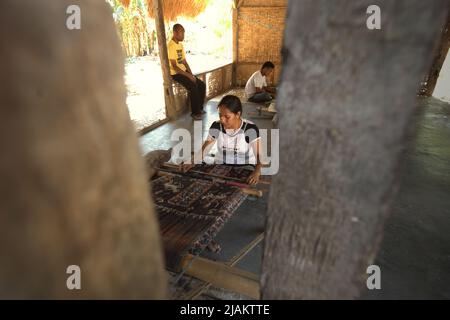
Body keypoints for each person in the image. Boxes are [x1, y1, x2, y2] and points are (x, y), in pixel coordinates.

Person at [194, 95, 263, 186]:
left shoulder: (250, 129)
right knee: (207, 183)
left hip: (245, 166)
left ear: (238, 114)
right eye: (220, 115)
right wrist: (192, 161)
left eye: (227, 116)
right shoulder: (217, 126)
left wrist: (257, 171)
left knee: (241, 187)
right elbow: (205, 149)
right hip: (221, 164)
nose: (222, 119)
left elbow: (259, 155)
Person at [168, 24, 206, 120]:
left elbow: (184, 62)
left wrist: (191, 74)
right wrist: (188, 76)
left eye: (184, 32)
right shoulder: (171, 46)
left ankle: (199, 108)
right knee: (193, 87)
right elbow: (174, 66)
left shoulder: (180, 45)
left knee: (201, 85)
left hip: (183, 71)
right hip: (176, 73)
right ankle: (195, 113)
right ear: (175, 32)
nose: (183, 35)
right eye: (182, 32)